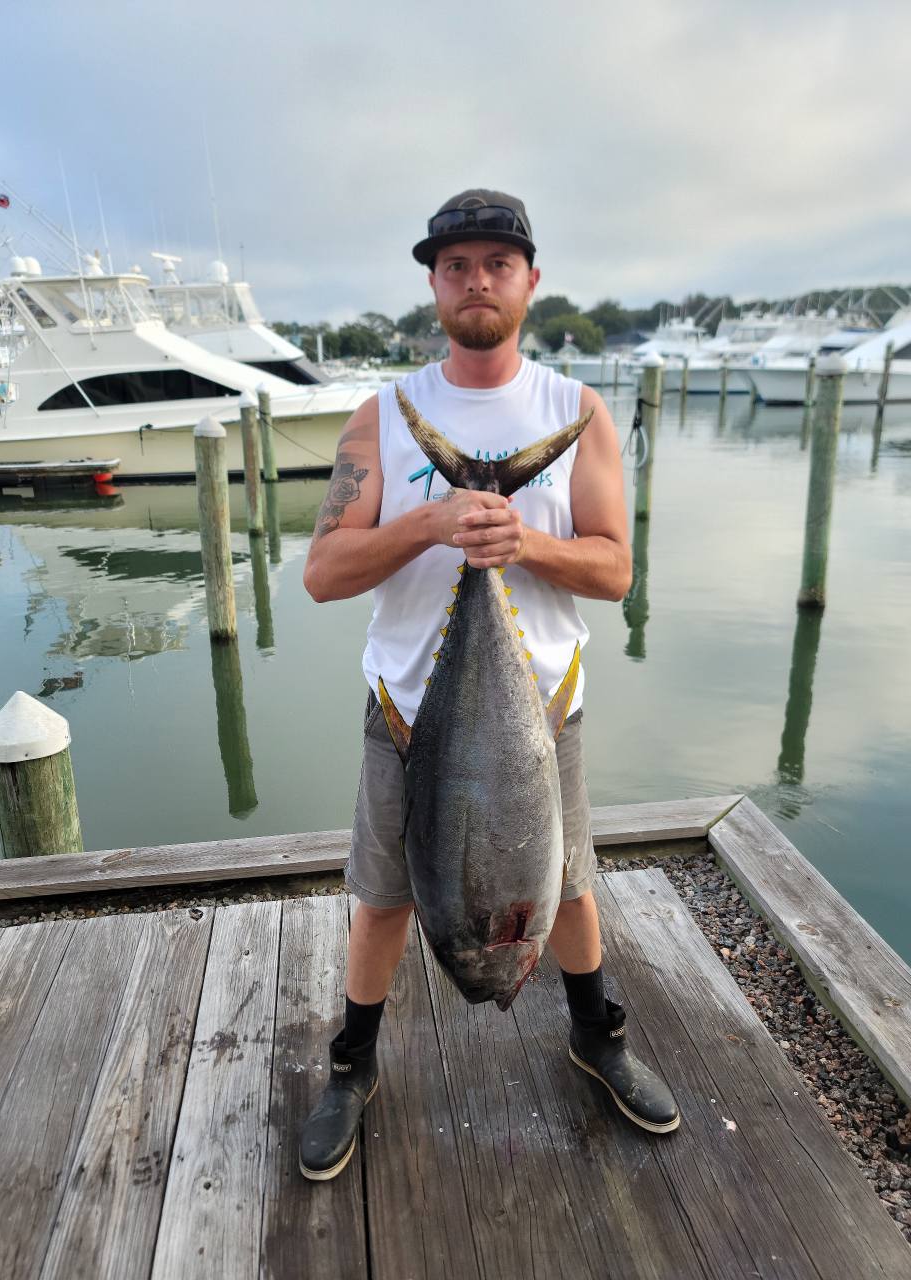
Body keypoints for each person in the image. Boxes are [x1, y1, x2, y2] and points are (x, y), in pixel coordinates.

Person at [300, 189, 679, 1182]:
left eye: (496, 263)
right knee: (384, 896)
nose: (477, 279)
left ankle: (597, 1036)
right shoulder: (380, 416)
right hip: (404, 709)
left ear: (530, 281)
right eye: (457, 263)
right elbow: (322, 571)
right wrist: (427, 524)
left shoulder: (577, 410)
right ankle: (353, 1064)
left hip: (541, 711)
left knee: (570, 884)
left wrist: (527, 542)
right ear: (432, 282)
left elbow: (615, 569)